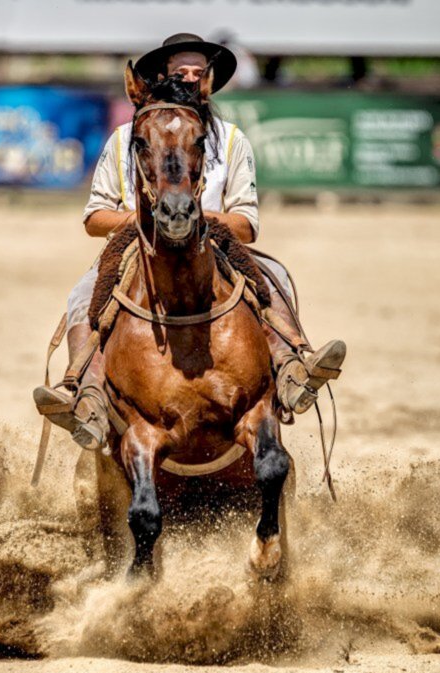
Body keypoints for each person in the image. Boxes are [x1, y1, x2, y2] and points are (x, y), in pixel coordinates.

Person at [33, 33, 345, 451]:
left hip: (214, 243)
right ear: (163, 76)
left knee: (275, 277)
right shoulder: (126, 138)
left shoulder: (232, 140)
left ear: (209, 85)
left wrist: (203, 219)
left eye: (200, 74)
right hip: (137, 244)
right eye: (183, 72)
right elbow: (94, 217)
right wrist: (143, 219)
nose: (192, 80)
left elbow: (247, 224)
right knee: (82, 294)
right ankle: (83, 395)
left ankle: (294, 368)